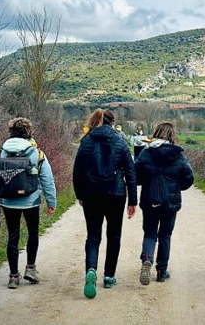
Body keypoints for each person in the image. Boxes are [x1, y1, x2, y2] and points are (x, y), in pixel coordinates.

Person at [73, 109, 137, 299]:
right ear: (112, 122)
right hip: (116, 194)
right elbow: (131, 172)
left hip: (91, 194)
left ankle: (91, 270)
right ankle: (109, 276)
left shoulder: (87, 141)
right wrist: (133, 200)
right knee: (114, 234)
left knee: (93, 236)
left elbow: (77, 172)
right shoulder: (120, 141)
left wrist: (80, 195)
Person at [0, 117, 57, 289]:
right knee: (33, 233)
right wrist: (51, 202)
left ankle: (13, 277)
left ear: (11, 132)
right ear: (28, 132)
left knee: (13, 235)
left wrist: (1, 194)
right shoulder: (36, 153)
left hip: (8, 201)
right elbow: (47, 179)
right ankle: (30, 269)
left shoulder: (1, 153)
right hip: (31, 201)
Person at [135, 122, 194, 285]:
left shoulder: (146, 154)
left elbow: (136, 176)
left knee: (150, 233)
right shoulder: (179, 154)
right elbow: (189, 178)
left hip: (150, 200)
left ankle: (147, 258)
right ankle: (161, 271)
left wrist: (147, 182)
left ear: (156, 133)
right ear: (172, 135)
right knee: (165, 235)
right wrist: (176, 188)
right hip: (170, 202)